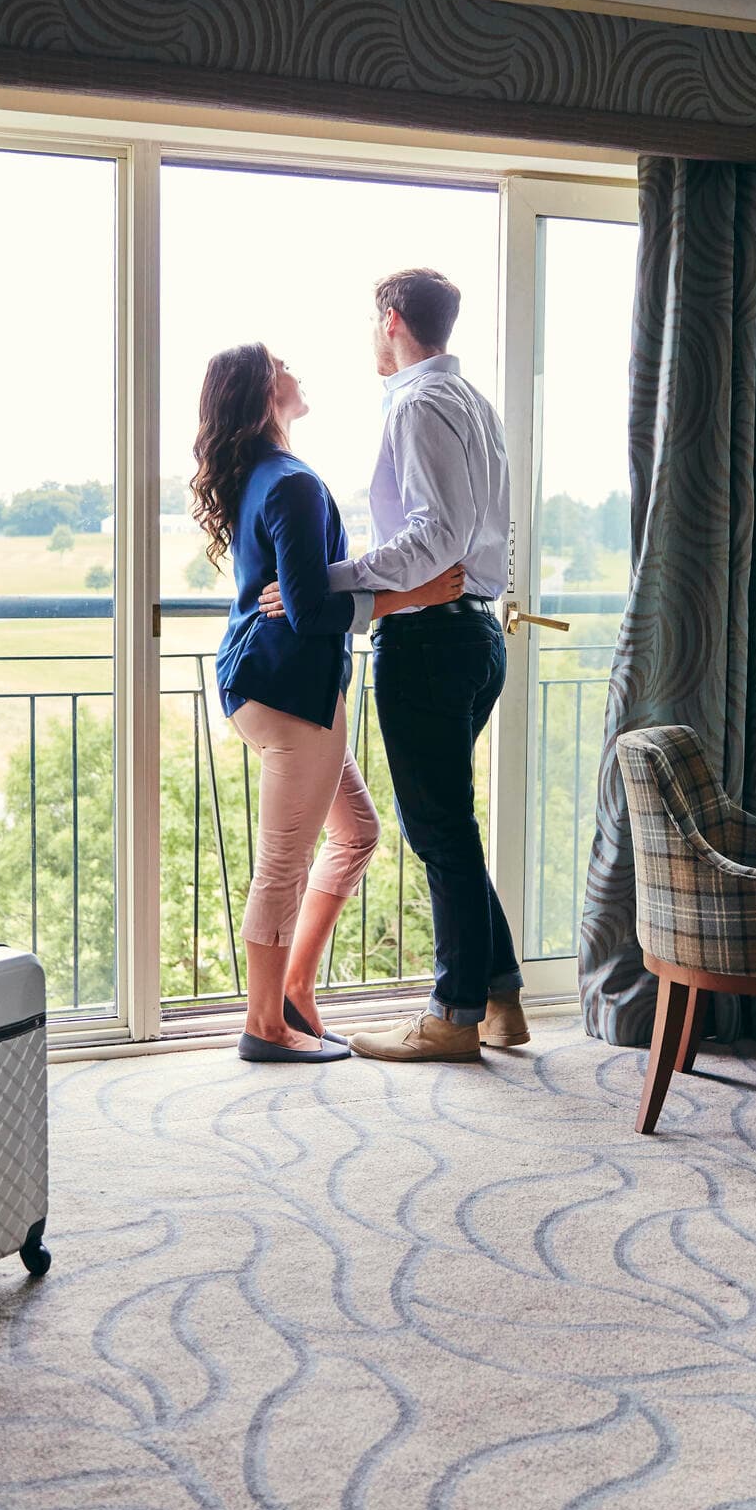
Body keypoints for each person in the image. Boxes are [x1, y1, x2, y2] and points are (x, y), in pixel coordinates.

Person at [257, 268, 521, 1062]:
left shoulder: (417, 403)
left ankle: (452, 1014)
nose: (372, 337)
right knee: (451, 825)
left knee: (439, 827)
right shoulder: (473, 402)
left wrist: (324, 580)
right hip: (474, 635)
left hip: (434, 640)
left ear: (393, 319)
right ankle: (501, 998)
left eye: (374, 323)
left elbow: (433, 541)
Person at [193, 343, 465, 1064]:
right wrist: (420, 594)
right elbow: (311, 612)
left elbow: (299, 598)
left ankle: (296, 990)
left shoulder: (264, 476)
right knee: (282, 864)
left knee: (358, 831)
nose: (297, 370)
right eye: (283, 363)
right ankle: (264, 1026)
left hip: (270, 686)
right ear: (262, 393)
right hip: (290, 693)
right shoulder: (292, 484)